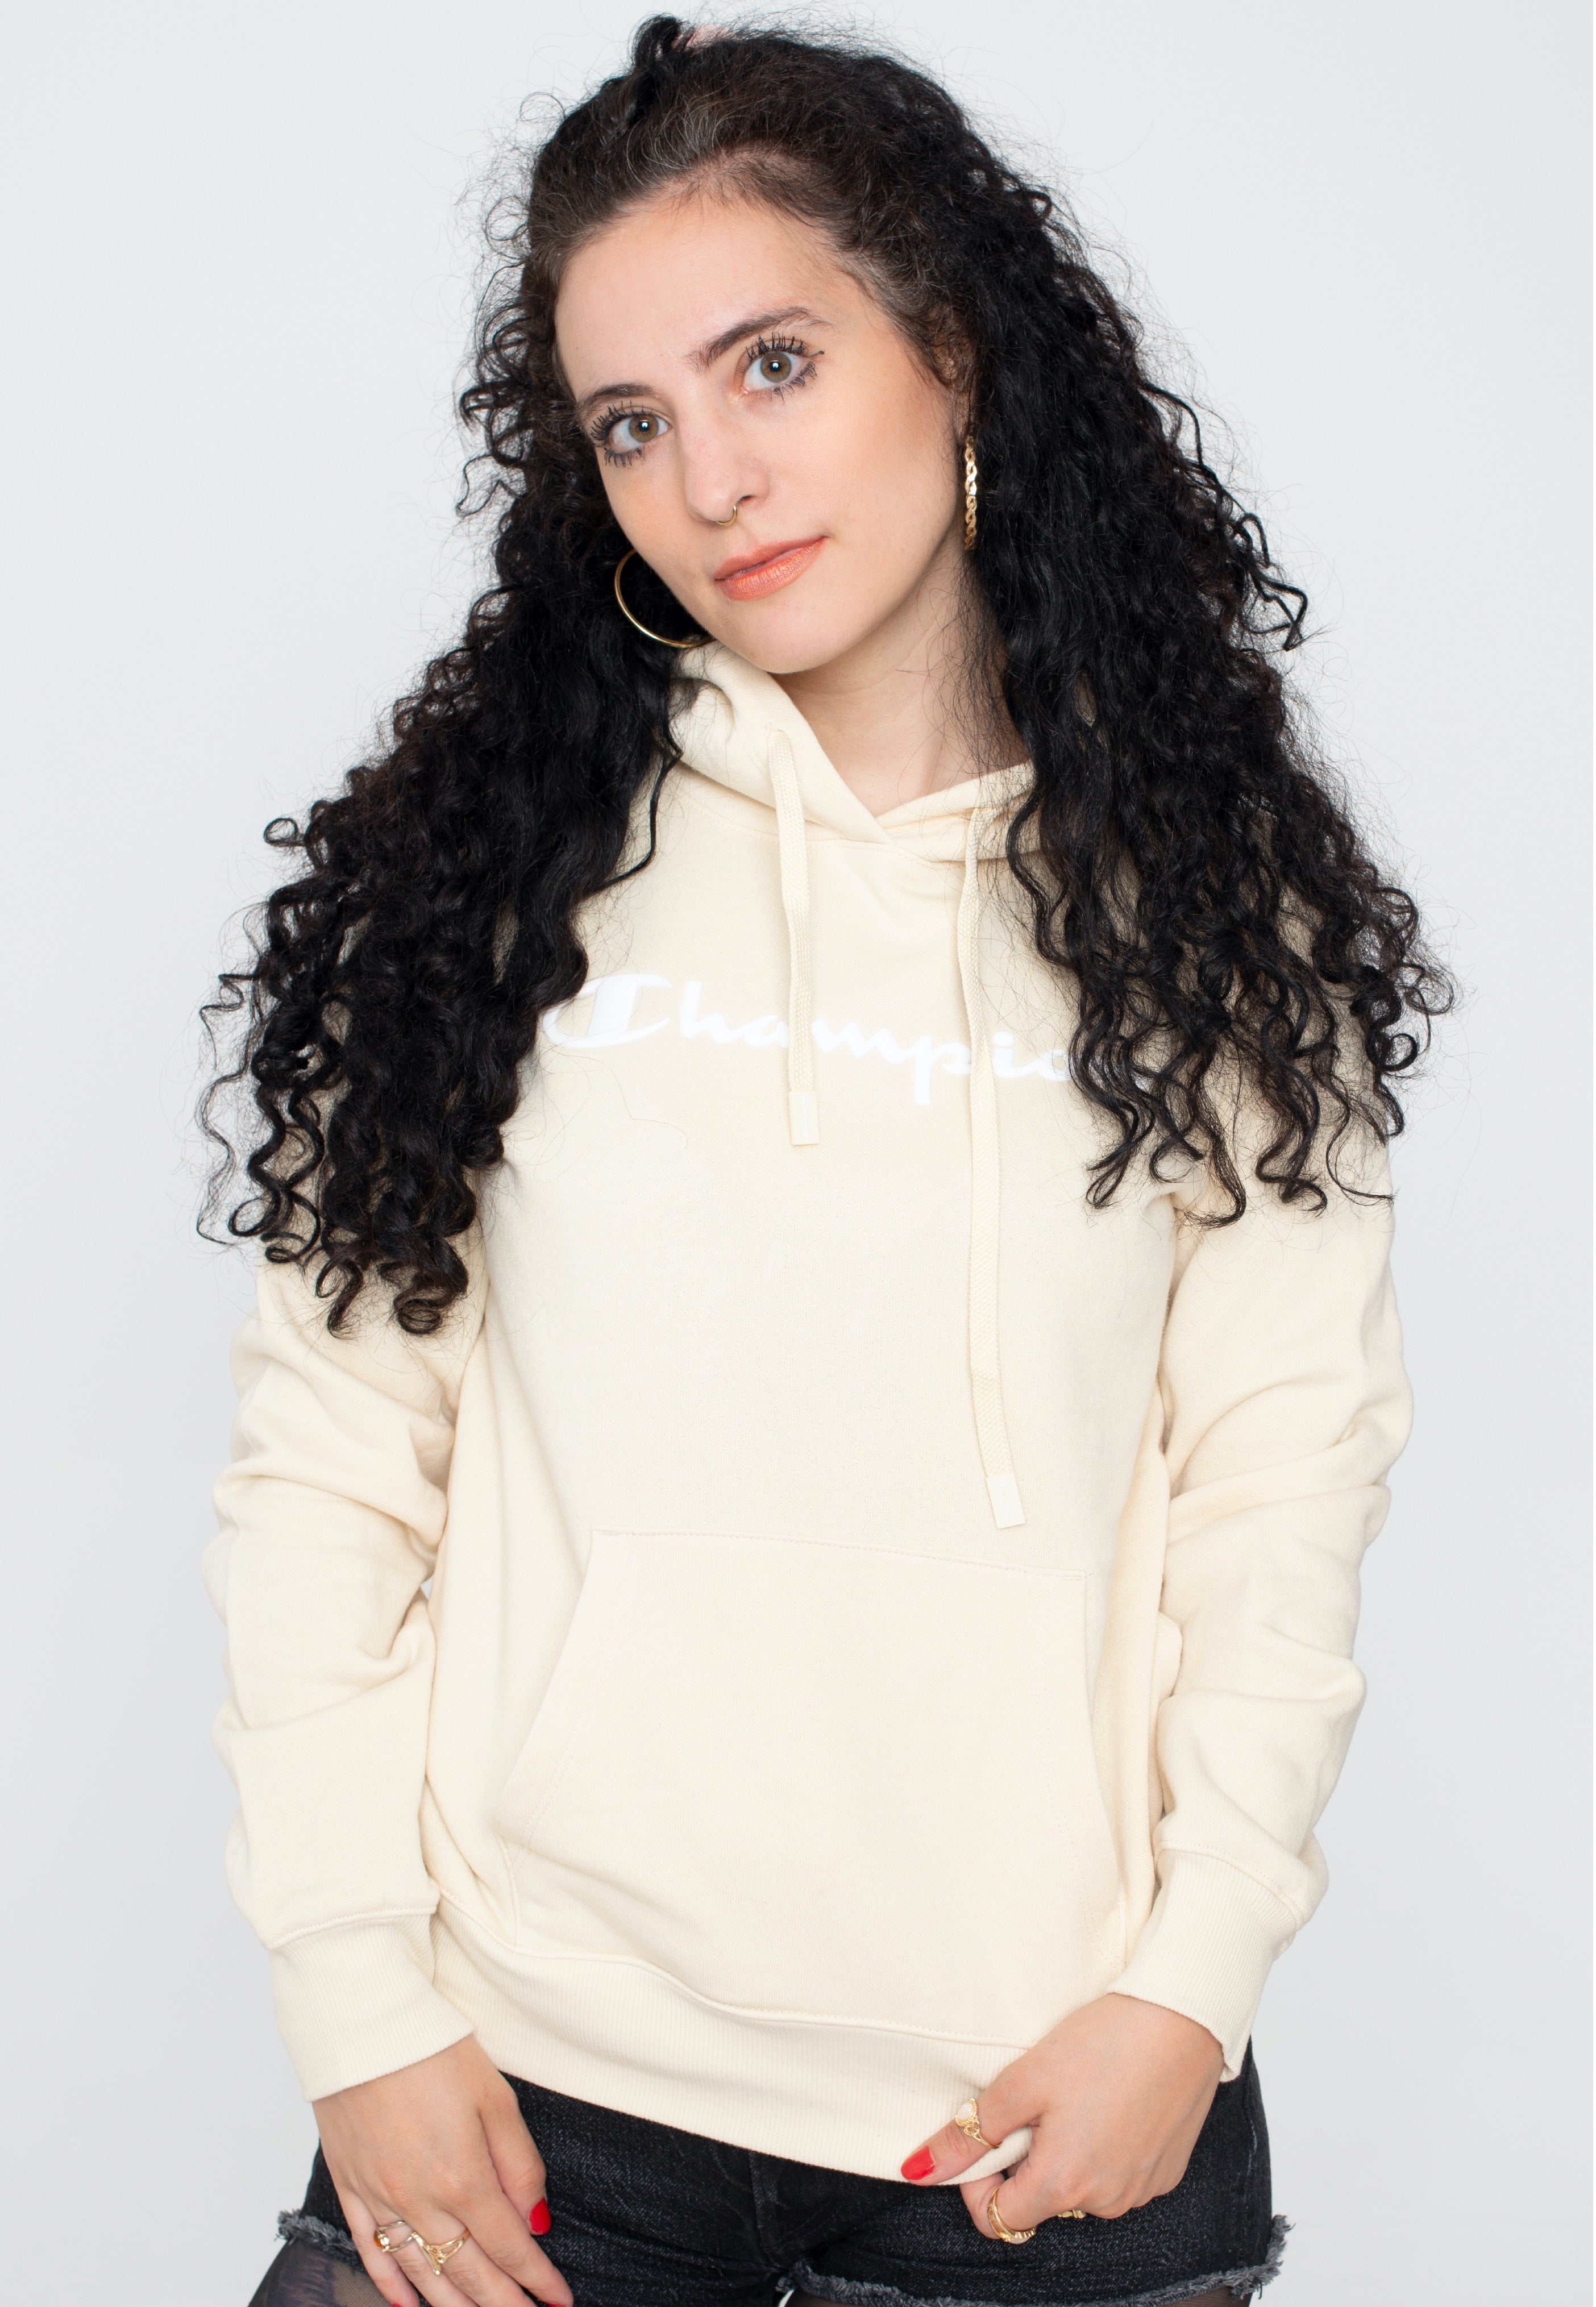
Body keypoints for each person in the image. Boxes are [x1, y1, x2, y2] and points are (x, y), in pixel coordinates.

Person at [203, 19, 1447, 2307]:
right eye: (632, 422)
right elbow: (329, 1468)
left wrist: (1190, 1983)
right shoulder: (481, 881)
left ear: (951, 350)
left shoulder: (1211, 907)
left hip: (1046, 2098)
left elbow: (1286, 1478)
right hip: (535, 2084)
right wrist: (356, 2000)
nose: (713, 478)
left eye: (773, 363)